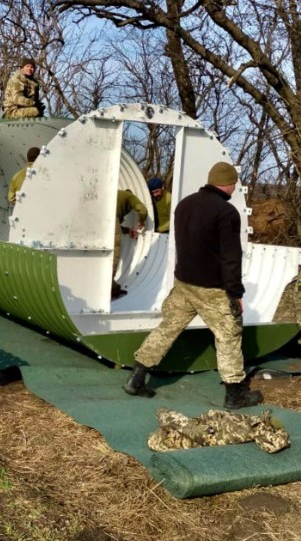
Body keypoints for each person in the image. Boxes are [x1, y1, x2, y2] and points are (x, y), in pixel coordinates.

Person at [123, 162, 264, 410]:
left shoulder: (184, 204)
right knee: (229, 336)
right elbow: (231, 257)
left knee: (167, 329)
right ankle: (235, 395)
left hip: (184, 283)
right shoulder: (227, 212)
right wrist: (235, 292)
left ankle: (136, 378)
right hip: (212, 289)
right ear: (230, 184)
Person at [112, 189, 148, 298]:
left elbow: (115, 224)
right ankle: (109, 287)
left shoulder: (116, 194)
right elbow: (143, 210)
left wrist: (128, 231)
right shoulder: (129, 196)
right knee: (115, 254)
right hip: (111, 219)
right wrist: (141, 221)